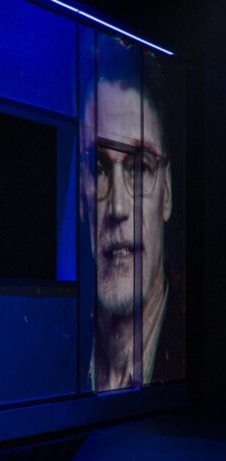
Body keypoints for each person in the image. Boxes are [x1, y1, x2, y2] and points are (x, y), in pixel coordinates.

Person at [85, 42, 183, 391]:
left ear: (167, 192)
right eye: (98, 168)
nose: (118, 208)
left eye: (140, 168)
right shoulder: (47, 362)